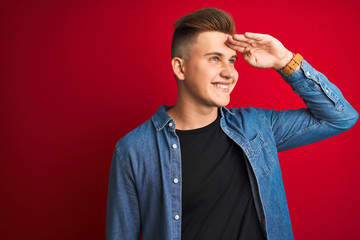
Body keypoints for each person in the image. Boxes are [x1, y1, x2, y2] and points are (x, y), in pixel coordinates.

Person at [106, 8, 358, 240]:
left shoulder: (256, 127)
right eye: (215, 59)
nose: (229, 72)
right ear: (180, 68)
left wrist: (284, 60)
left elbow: (341, 117)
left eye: (231, 60)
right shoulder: (134, 150)